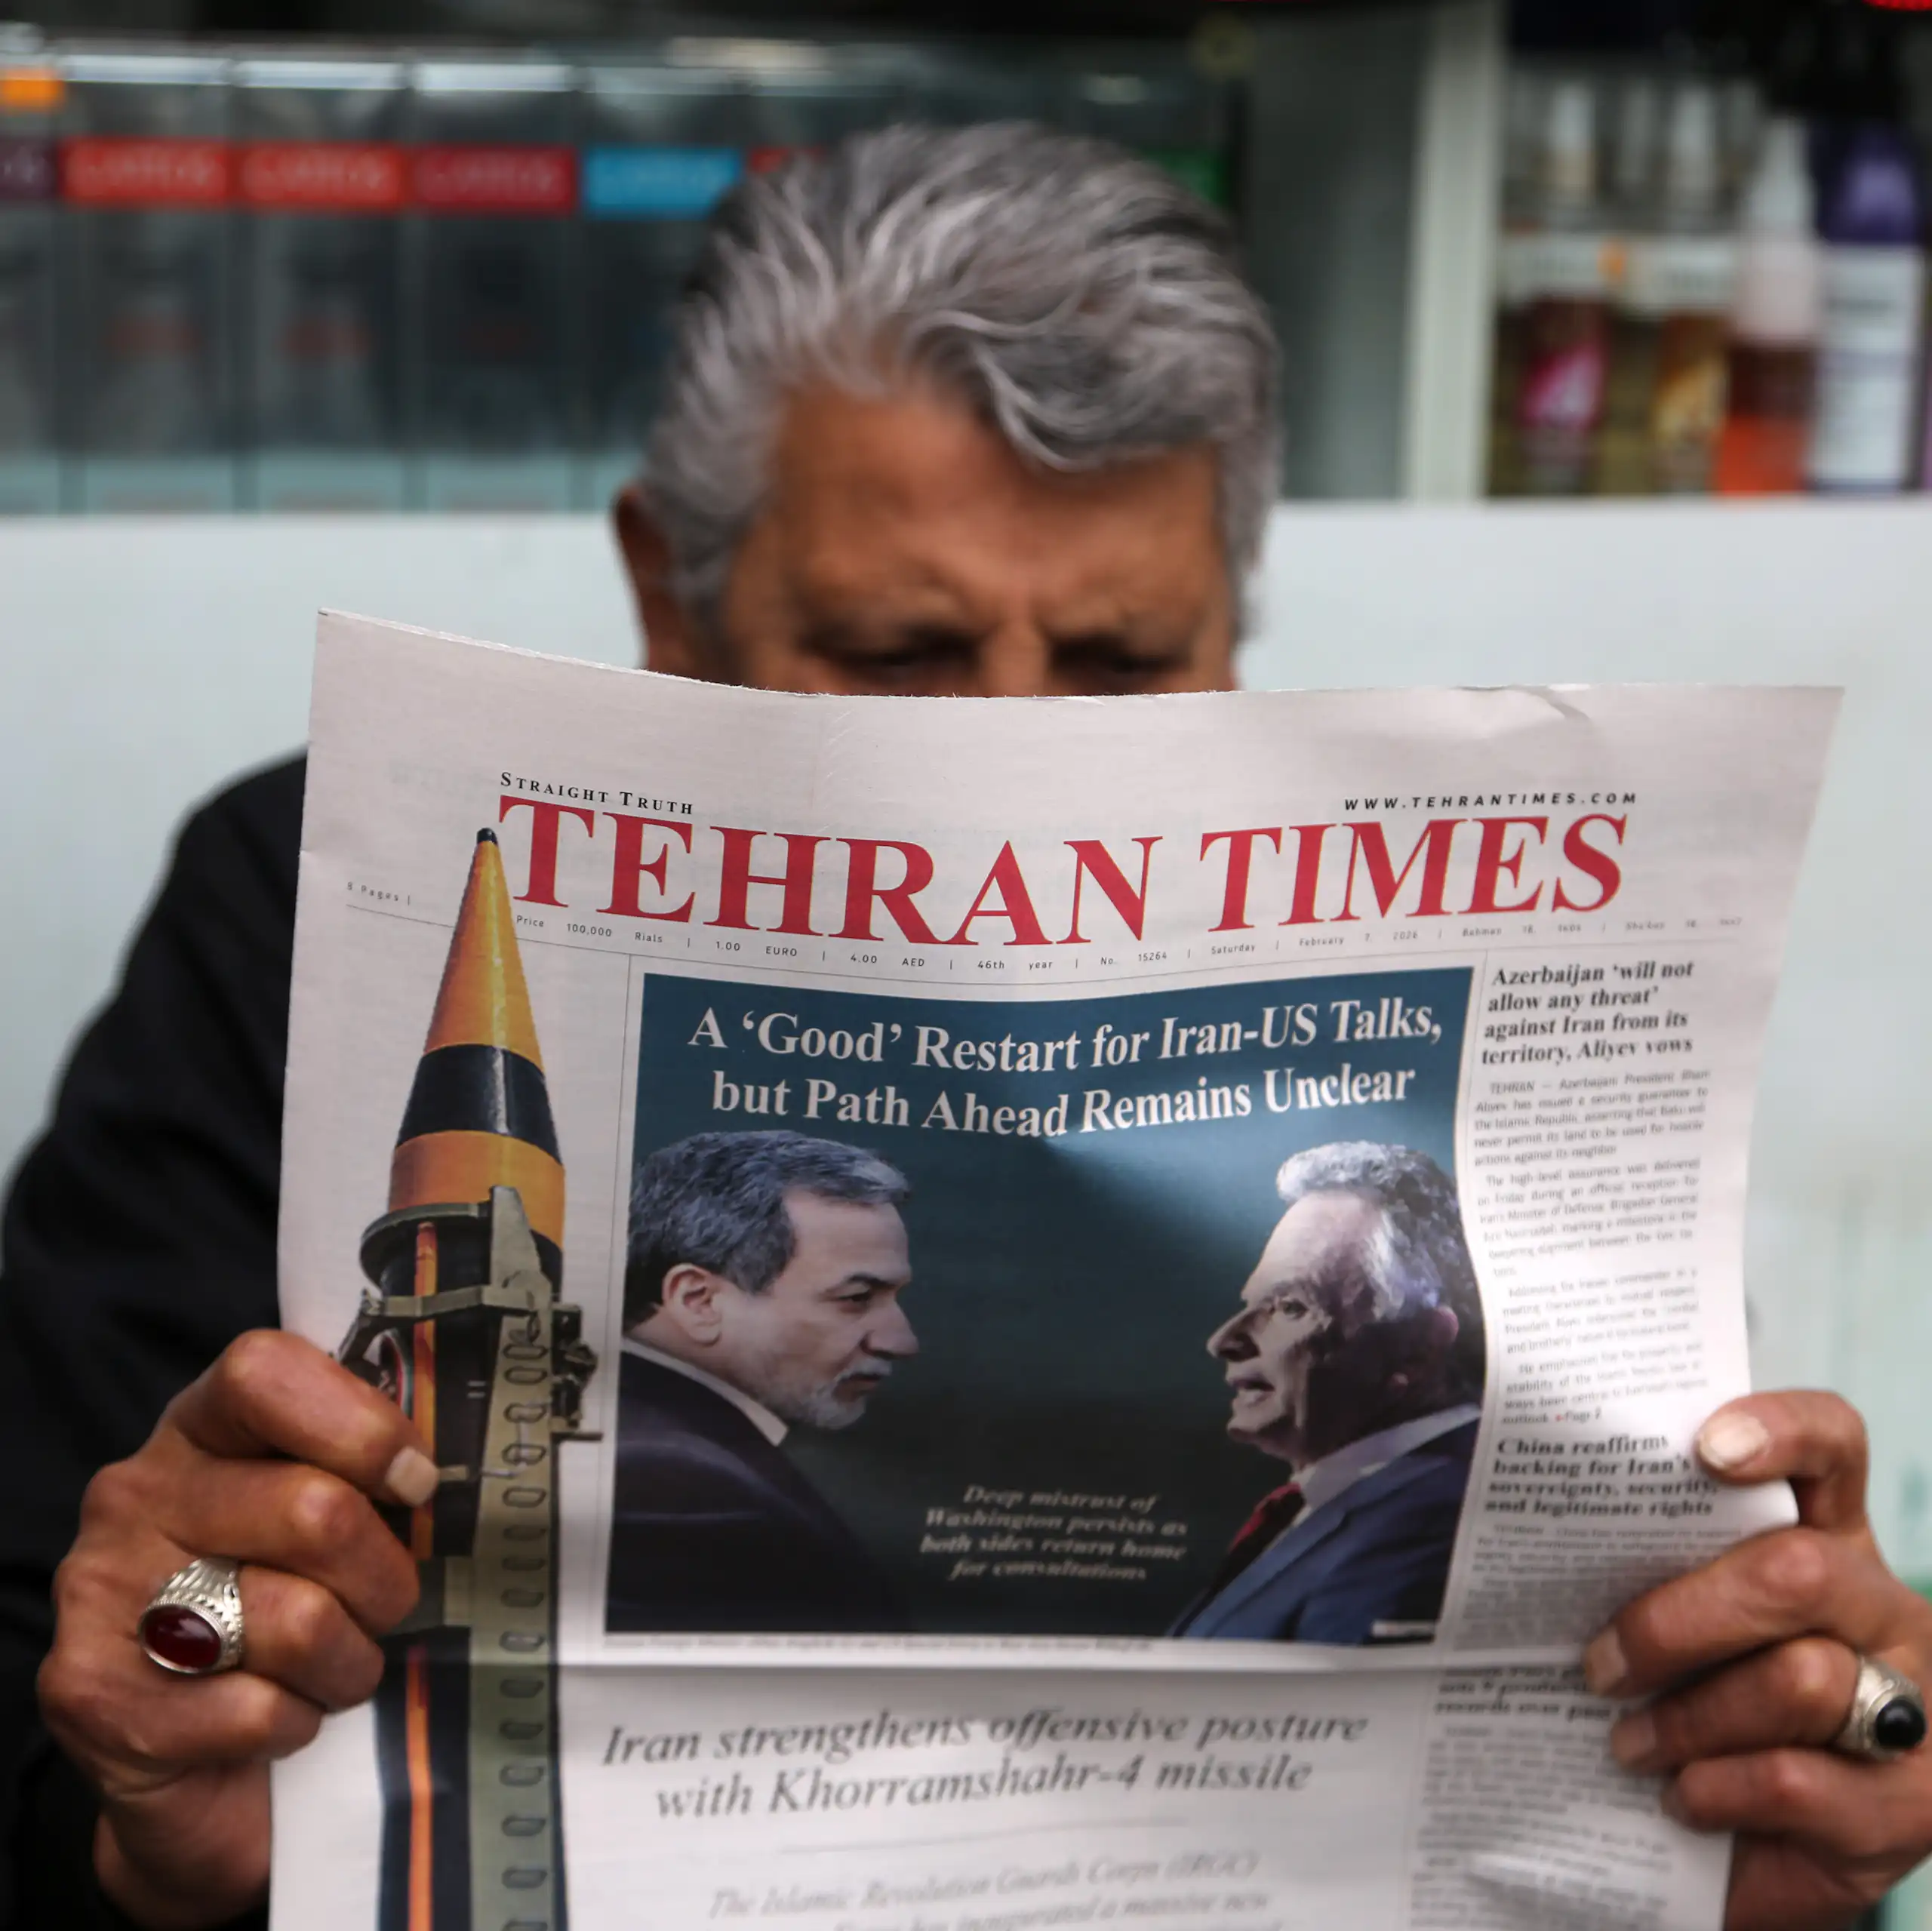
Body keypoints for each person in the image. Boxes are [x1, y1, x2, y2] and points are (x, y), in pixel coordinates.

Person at [2, 121, 1928, 1931]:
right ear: (666, 594)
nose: (1013, 744)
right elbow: (62, 1649)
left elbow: (1630, 1703)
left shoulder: (1430, 984)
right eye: (896, 650)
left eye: (1118, 659)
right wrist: (149, 1798)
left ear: (1233, 630)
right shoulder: (344, 900)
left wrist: (1764, 1800)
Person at [1173, 1143, 1481, 1645]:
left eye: (1290, 1306)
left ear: (1418, 1350)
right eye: (1251, 1303)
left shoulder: (1434, 1516)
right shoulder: (1337, 1498)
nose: (1223, 1340)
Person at [608, 1131, 916, 1633]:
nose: (900, 1341)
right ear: (697, 1301)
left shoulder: (668, 1446)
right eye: (858, 1296)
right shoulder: (679, 1480)